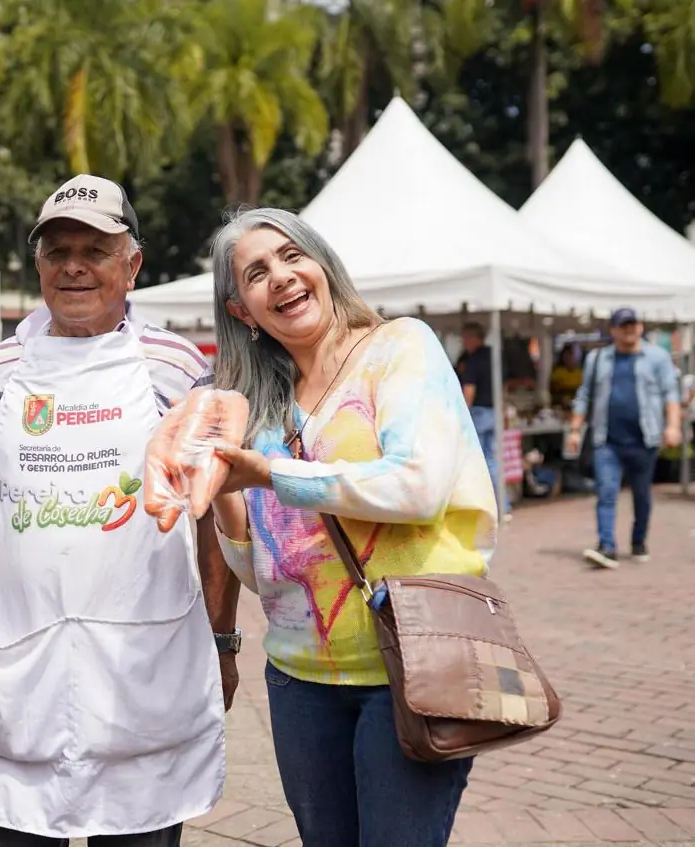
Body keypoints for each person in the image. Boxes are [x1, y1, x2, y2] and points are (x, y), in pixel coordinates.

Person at [0, 174, 239, 847]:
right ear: (36, 264)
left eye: (94, 249)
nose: (73, 266)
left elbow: (213, 514)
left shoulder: (177, 366)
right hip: (15, 668)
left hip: (139, 671)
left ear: (131, 264)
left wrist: (221, 637)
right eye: (56, 250)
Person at [206, 208, 496, 847]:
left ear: (323, 265)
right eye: (257, 273)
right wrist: (221, 486)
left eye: (291, 256)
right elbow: (266, 580)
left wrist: (266, 474)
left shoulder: (400, 347)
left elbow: (417, 488)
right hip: (298, 680)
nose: (281, 277)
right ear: (242, 312)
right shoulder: (261, 404)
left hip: (413, 663)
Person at [566, 308, 683, 568]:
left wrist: (673, 426)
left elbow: (671, 395)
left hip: (644, 439)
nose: (630, 329)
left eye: (633, 324)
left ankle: (639, 540)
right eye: (624, 325)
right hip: (606, 439)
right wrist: (575, 430)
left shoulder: (658, 358)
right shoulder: (598, 359)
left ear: (640, 327)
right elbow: (584, 395)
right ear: (614, 330)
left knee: (642, 495)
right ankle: (607, 546)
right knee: (606, 491)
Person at [456, 322, 506, 515]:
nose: (463, 342)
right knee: (493, 459)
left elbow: (469, 389)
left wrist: (462, 415)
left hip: (480, 413)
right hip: (495, 411)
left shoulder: (474, 360)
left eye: (465, 338)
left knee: (481, 460)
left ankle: (492, 505)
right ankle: (502, 504)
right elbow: (503, 384)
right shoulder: (494, 356)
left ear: (474, 337)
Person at [548, 344, 583, 411]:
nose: (567, 359)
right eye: (565, 357)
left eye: (570, 356)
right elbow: (554, 388)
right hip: (561, 405)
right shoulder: (558, 372)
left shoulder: (580, 373)